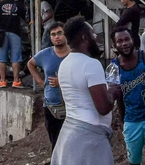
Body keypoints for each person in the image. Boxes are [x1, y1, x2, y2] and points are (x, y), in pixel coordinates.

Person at [51, 17, 121, 165]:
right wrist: (113, 92)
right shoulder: (91, 64)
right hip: (89, 140)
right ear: (84, 37)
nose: (96, 38)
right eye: (93, 34)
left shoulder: (64, 64)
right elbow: (103, 108)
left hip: (69, 134)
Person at [111, 26, 145, 165]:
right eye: (120, 41)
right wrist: (122, 121)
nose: (124, 43)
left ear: (133, 40)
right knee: (133, 160)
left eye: (127, 39)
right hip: (131, 121)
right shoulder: (114, 67)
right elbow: (118, 96)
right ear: (114, 46)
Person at [28, 22, 69, 150]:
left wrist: (61, 81)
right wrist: (41, 82)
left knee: (71, 144)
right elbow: (30, 64)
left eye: (60, 33)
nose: (57, 37)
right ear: (50, 38)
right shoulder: (45, 54)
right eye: (53, 34)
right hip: (52, 106)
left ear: (65, 34)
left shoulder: (74, 54)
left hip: (72, 105)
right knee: (56, 144)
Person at [0, 0, 27, 88]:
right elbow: (25, 19)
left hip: (2, 34)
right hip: (15, 33)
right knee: (15, 59)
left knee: (2, 58)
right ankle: (16, 81)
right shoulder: (19, 5)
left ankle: (2, 81)